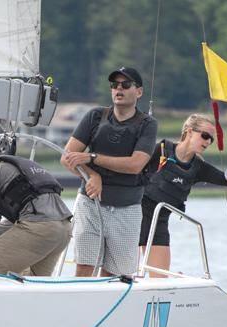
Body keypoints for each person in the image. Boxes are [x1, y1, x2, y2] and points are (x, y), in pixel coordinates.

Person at [61, 66, 157, 277]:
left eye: (125, 84)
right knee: (85, 265)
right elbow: (67, 156)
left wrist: (92, 157)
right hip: (91, 204)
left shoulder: (147, 124)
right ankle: (81, 308)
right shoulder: (95, 116)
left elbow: (136, 165)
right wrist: (91, 175)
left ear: (138, 92)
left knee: (116, 274)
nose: (118, 89)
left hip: (127, 207)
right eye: (114, 85)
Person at [139, 113, 227, 276]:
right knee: (123, 272)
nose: (208, 142)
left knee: (159, 279)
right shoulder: (161, 149)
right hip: (133, 216)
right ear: (189, 131)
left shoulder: (198, 167)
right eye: (205, 136)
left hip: (159, 223)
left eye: (211, 139)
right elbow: (132, 168)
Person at [0, 149, 72, 276]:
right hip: (64, 229)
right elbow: (22, 218)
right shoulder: (8, 168)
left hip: (40, 227)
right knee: (32, 281)